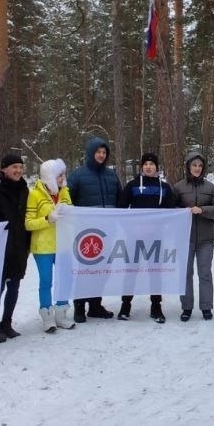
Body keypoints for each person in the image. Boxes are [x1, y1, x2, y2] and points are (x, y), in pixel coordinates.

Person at [117, 152, 180, 323]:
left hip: (156, 238)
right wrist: (130, 229)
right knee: (131, 271)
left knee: (155, 272)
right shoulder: (132, 186)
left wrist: (162, 229)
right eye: (145, 164)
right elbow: (120, 209)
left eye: (152, 164)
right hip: (134, 238)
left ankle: (156, 307)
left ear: (157, 167)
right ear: (142, 167)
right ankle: (125, 306)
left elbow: (171, 212)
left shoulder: (165, 188)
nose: (148, 167)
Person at [67, 136, 121, 321]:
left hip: (108, 232)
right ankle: (80, 306)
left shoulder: (112, 175)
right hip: (86, 233)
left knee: (103, 269)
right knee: (86, 270)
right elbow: (68, 201)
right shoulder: (77, 175)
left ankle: (95, 305)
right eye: (98, 152)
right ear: (91, 153)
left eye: (104, 152)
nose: (101, 155)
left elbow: (120, 201)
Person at [172, 151, 214, 321]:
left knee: (205, 273)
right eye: (194, 165)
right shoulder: (178, 187)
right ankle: (186, 307)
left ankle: (206, 307)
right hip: (184, 238)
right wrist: (182, 212)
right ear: (188, 166)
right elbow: (170, 210)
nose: (197, 168)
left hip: (206, 239)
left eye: (200, 165)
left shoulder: (210, 188)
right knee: (185, 274)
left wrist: (202, 210)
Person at [25, 158, 74, 333]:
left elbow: (71, 213)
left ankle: (61, 313)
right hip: (43, 246)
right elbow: (28, 223)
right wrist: (47, 219)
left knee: (64, 279)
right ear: (50, 176)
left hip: (63, 245)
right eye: (59, 175)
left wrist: (69, 213)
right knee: (46, 280)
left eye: (63, 175)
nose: (62, 178)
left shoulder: (65, 192)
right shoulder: (35, 194)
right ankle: (47, 316)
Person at [0, 152, 32, 343]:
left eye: (21, 167)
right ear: (4, 168)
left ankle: (7, 322)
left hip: (19, 243)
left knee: (14, 285)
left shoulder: (24, 189)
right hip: (0, 243)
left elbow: (27, 216)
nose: (18, 171)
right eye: (14, 167)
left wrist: (27, 241)